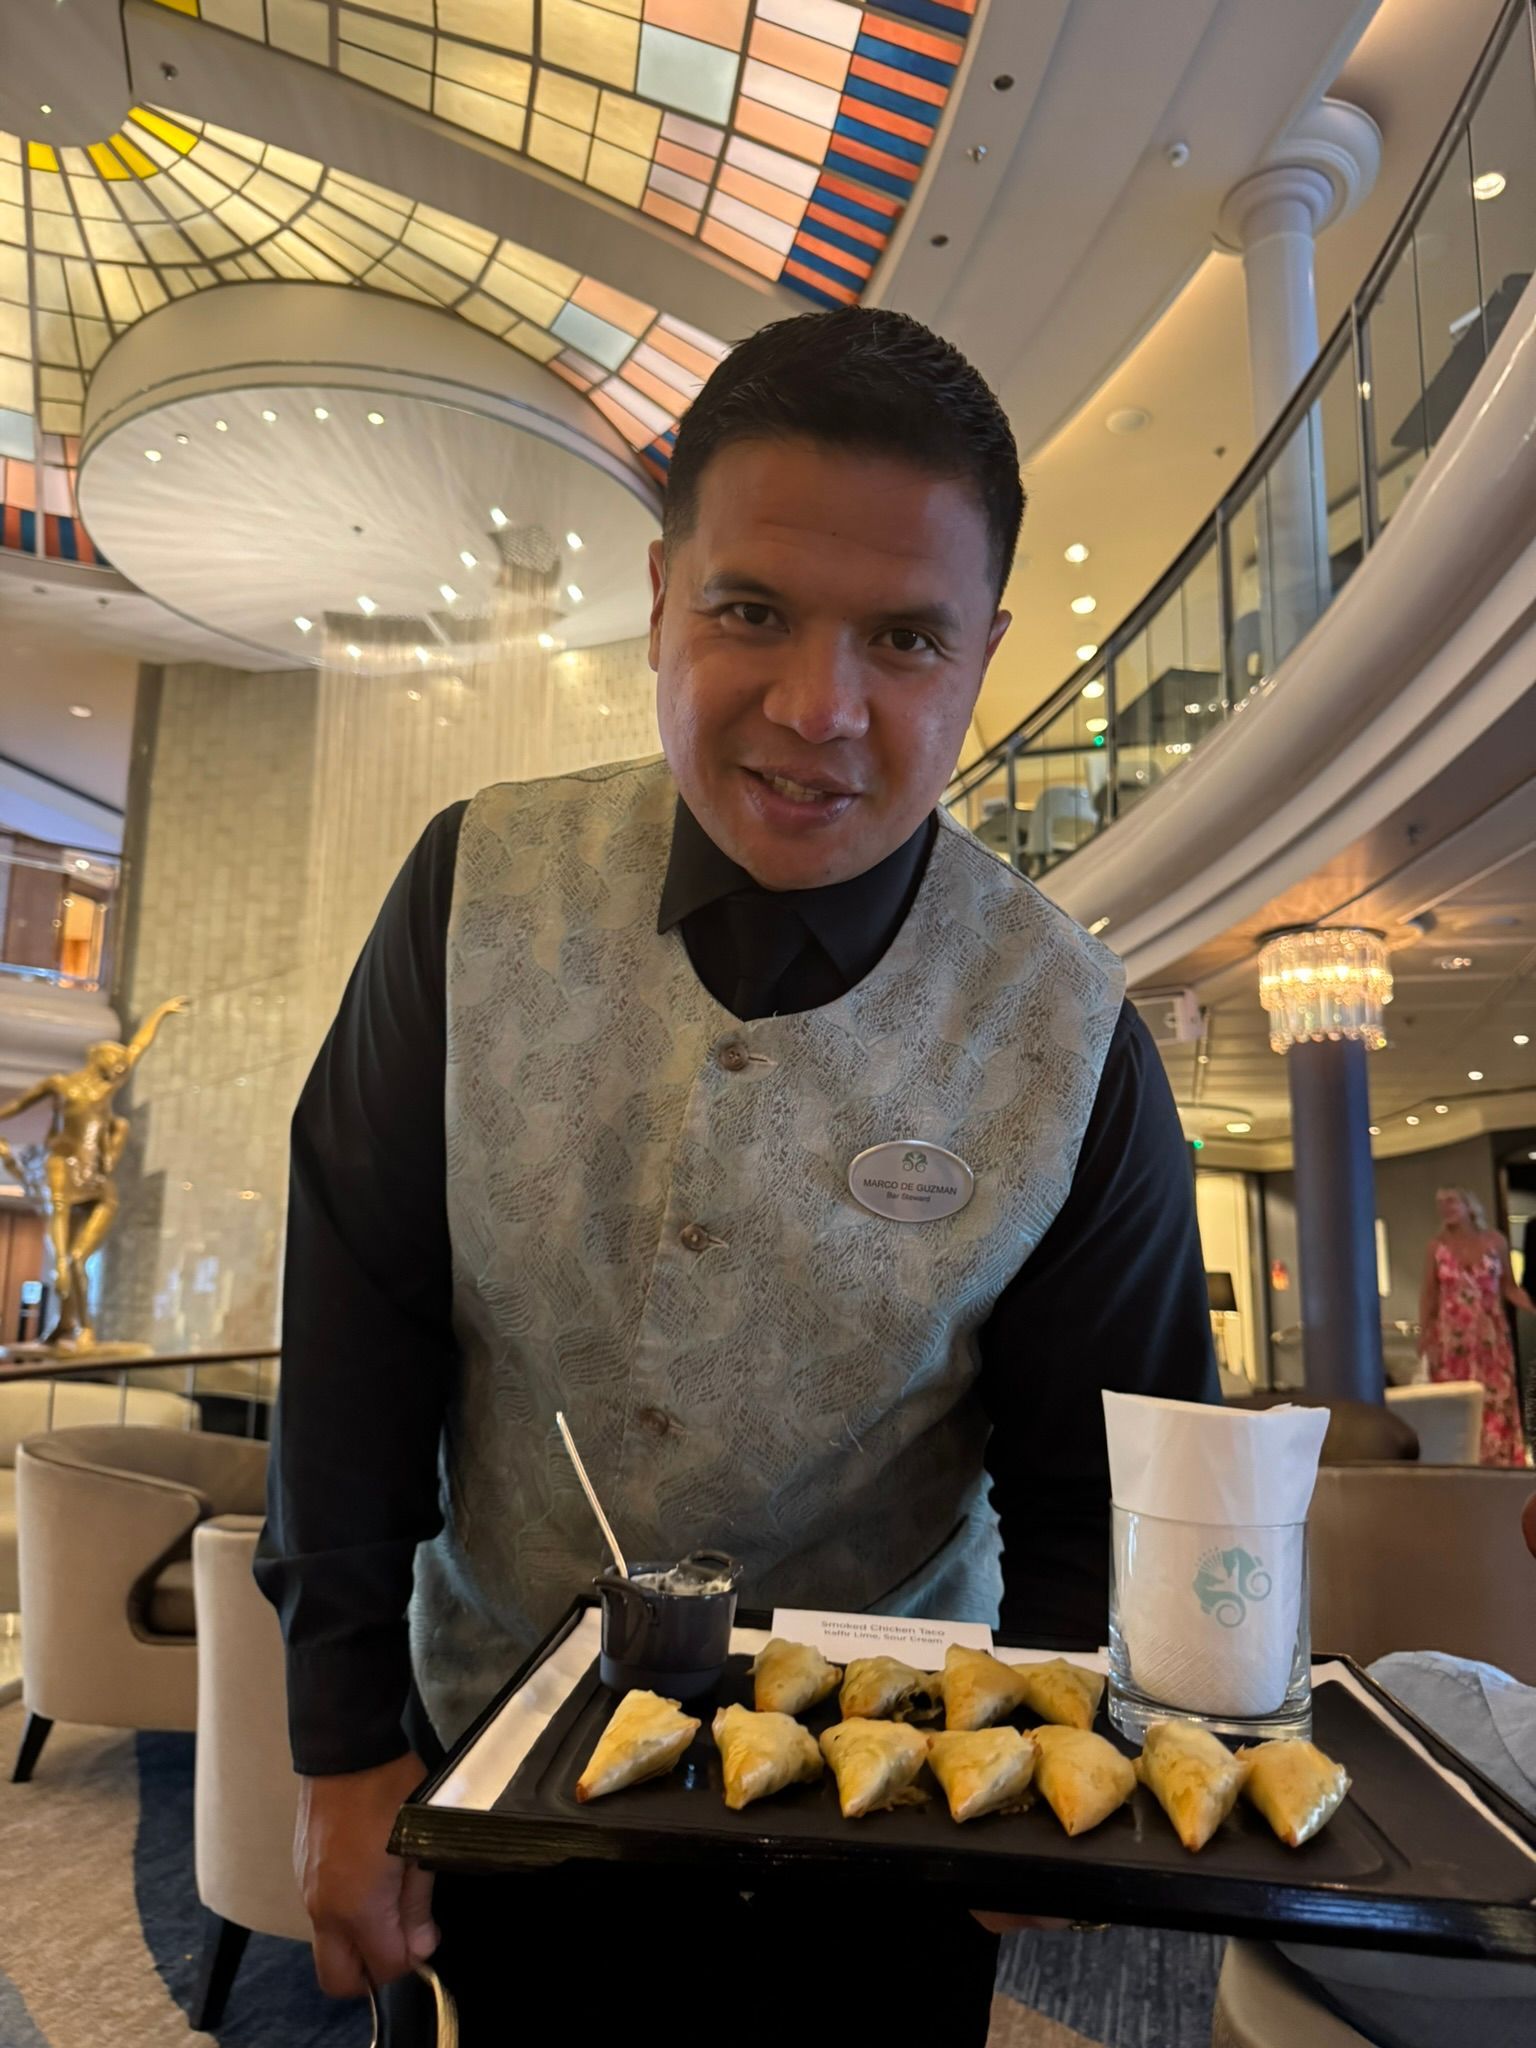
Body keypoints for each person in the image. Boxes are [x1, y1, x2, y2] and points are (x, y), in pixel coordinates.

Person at [255, 306, 1217, 2044]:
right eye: (750, 610)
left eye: (906, 637)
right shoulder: (471, 891)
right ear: (657, 599)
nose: (817, 709)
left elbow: (1104, 1477)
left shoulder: (1066, 1023)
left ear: (982, 655)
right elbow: (355, 1338)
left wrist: (1046, 1766)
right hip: (502, 1765)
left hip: (882, 1814)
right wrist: (339, 1736)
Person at [1419, 1187, 1533, 1466]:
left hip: (1491, 1340)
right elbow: (1429, 1295)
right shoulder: (1436, 1247)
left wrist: (1531, 1306)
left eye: (1452, 1201)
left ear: (1469, 1205)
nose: (1446, 1207)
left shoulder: (1496, 1242)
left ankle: (1499, 1461)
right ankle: (1462, 1462)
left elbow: (1509, 1287)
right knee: (1456, 1400)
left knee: (1495, 1398)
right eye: (1441, 1203)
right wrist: (1425, 1337)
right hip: (1451, 1342)